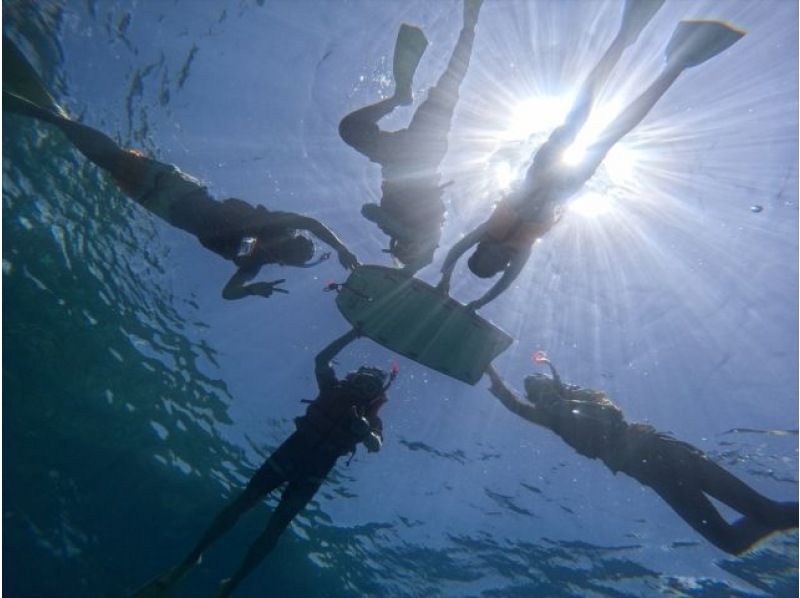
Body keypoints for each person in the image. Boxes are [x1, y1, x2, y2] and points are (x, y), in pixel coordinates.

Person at [438, 2, 745, 310]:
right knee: (612, 134)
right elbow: (508, 282)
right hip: (567, 184)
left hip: (541, 172)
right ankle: (676, 65)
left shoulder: (487, 232)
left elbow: (454, 251)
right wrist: (477, 304)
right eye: (492, 268)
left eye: (484, 262)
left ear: (480, 250)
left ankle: (624, 37)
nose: (495, 263)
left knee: (577, 115)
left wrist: (445, 279)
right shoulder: (520, 253)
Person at [3, 36, 359, 301]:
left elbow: (227, 294)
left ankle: (48, 111)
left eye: (292, 255)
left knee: (103, 155)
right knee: (107, 155)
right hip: (175, 190)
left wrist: (254, 289)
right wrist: (342, 247)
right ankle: (43, 113)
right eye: (294, 249)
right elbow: (311, 223)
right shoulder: (272, 226)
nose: (287, 251)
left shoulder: (253, 263)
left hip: (160, 202)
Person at [131, 329, 393, 597]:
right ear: (354, 378)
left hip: (314, 471)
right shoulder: (332, 388)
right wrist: (353, 334)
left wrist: (366, 432)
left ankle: (232, 584)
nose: (363, 389)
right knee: (242, 503)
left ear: (376, 395)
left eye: (371, 387)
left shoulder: (371, 419)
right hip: (292, 452)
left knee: (275, 529)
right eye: (362, 381)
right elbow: (322, 360)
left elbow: (376, 445)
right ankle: (188, 562)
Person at [485, 356, 798, 555]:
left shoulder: (586, 397)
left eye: (539, 384)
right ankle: (778, 517)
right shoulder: (551, 418)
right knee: (731, 542)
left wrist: (557, 387)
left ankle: (778, 516)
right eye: (533, 391)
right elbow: (512, 402)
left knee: (768, 513)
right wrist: (489, 366)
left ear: (555, 384)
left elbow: (608, 413)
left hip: (668, 454)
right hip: (657, 477)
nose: (538, 392)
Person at [338, 0, 483, 273]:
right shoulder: (430, 236)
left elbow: (369, 210)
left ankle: (397, 98)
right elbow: (423, 254)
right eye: (412, 251)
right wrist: (409, 268)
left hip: (392, 157)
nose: (409, 246)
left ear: (396, 245)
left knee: (348, 129)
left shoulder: (395, 229)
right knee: (450, 84)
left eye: (403, 248)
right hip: (424, 155)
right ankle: (469, 26)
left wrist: (401, 241)